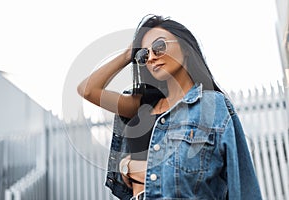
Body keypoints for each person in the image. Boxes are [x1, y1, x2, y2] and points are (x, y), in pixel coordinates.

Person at [77, 14, 262, 200]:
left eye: (159, 47)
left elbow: (243, 185)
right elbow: (87, 90)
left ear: (185, 48)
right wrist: (128, 54)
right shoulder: (143, 105)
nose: (150, 58)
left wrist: (138, 167)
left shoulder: (212, 106)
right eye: (144, 54)